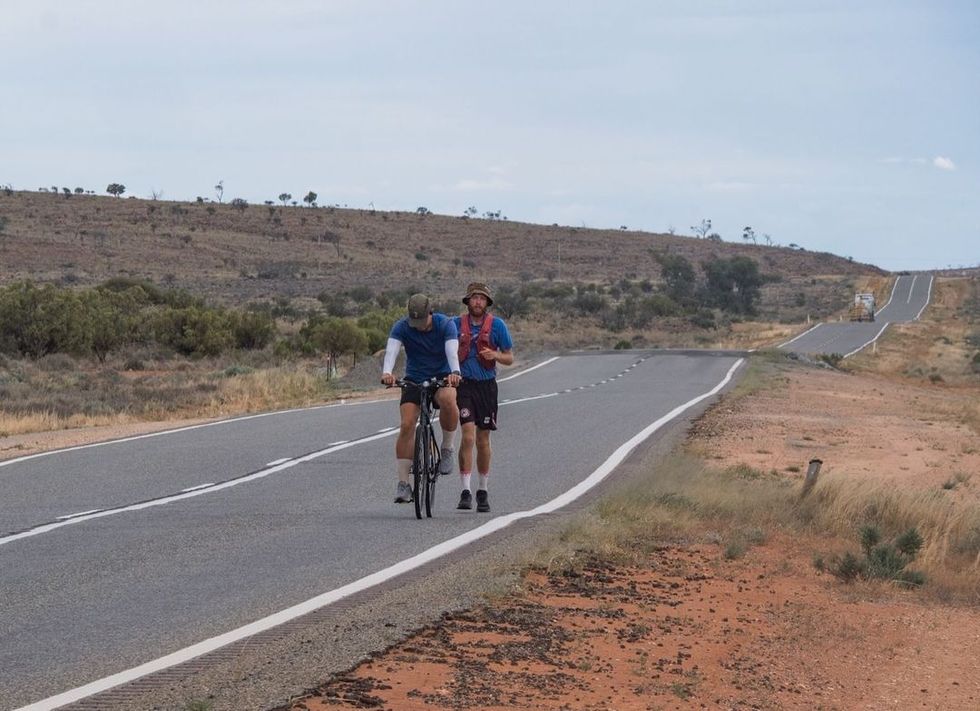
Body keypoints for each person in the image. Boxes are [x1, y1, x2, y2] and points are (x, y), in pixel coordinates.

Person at [381, 293, 462, 504]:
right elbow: (391, 351)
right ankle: (403, 484)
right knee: (407, 424)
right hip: (415, 377)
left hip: (442, 375)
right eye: (413, 321)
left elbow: (452, 352)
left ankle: (447, 448)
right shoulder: (402, 326)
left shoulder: (446, 325)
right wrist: (387, 372)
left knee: (448, 399)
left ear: (430, 313)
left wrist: (455, 372)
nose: (417, 326)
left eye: (421, 321)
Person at [452, 282, 514, 513]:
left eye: (481, 298)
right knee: (467, 436)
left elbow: (509, 358)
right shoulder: (456, 325)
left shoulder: (497, 326)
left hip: (487, 386)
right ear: (467, 301)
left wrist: (495, 355)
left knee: (483, 439)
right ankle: (465, 491)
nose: (477, 302)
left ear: (487, 302)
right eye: (473, 298)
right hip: (464, 386)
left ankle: (483, 489)